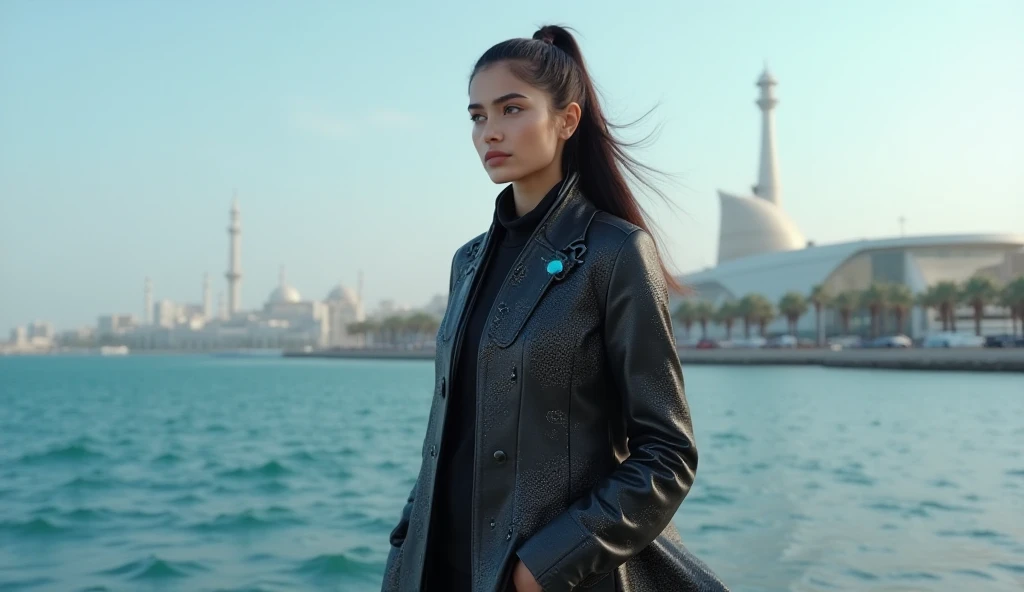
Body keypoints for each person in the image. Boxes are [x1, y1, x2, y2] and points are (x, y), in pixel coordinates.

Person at [382, 25, 728, 592]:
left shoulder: (614, 253)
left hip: (546, 578)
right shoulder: (466, 263)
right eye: (477, 116)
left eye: (511, 109)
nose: (490, 131)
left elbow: (667, 453)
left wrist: (544, 566)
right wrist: (403, 545)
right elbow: (449, 430)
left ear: (567, 120)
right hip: (434, 569)